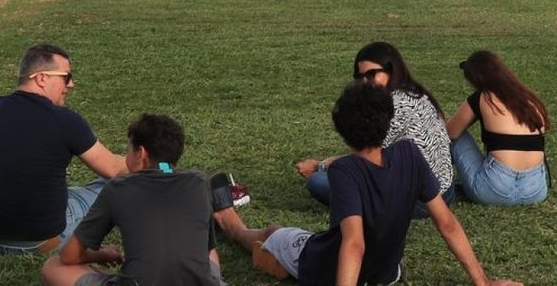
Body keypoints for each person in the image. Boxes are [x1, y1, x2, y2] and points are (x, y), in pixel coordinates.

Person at [214, 81, 522, 286]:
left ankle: (230, 223)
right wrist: (482, 282)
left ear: (342, 130)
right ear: (388, 121)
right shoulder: (409, 153)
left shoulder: (345, 170)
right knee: (295, 237)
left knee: (274, 232)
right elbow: (447, 223)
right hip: (386, 273)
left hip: (328, 269)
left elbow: (354, 244)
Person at [0, 43, 127, 254]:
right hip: (41, 241)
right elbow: (114, 169)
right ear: (42, 78)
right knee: (114, 185)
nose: (71, 84)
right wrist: (158, 165)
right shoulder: (65, 120)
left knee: (72, 191)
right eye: (66, 77)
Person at [42, 113, 224, 286]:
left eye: (128, 149)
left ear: (141, 153)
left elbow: (69, 255)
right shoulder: (199, 183)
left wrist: (101, 255)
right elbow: (206, 250)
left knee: (53, 266)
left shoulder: (118, 188)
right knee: (207, 252)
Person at [296, 42, 453, 210]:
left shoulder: (394, 106)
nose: (365, 82)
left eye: (371, 74)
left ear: (391, 70)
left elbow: (369, 159)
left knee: (319, 182)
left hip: (421, 200)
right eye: (360, 77)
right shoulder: (414, 93)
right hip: (446, 191)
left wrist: (320, 166)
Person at [444, 50, 549, 206]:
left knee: (457, 135)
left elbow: (450, 133)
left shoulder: (483, 98)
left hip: (493, 190)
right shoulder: (528, 100)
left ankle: (435, 182)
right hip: (535, 192)